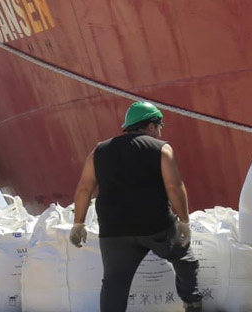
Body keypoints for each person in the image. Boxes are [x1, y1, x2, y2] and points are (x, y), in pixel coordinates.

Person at [69, 101, 202, 311]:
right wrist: (184, 221)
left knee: (114, 283)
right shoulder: (161, 148)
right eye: (159, 126)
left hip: (114, 231)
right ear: (150, 126)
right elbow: (174, 186)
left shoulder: (99, 151)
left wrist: (78, 224)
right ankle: (192, 302)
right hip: (156, 226)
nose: (160, 132)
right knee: (185, 258)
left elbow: (85, 188)